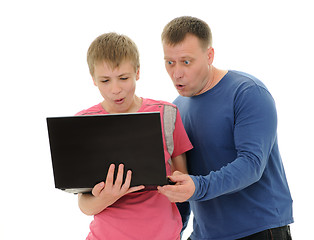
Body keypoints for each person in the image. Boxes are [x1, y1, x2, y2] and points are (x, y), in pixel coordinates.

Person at [157, 16, 294, 240]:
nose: (177, 73)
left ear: (209, 55)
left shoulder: (248, 93)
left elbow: (251, 164)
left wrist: (197, 187)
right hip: (205, 234)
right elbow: (182, 182)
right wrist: (172, 232)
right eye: (169, 62)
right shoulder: (176, 109)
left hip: (259, 230)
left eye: (186, 62)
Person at [76, 32, 193, 240]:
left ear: (137, 72)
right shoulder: (84, 123)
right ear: (93, 79)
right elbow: (84, 205)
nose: (115, 89)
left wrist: (171, 184)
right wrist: (109, 197)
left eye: (123, 78)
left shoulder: (166, 114)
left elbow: (183, 182)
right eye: (105, 80)